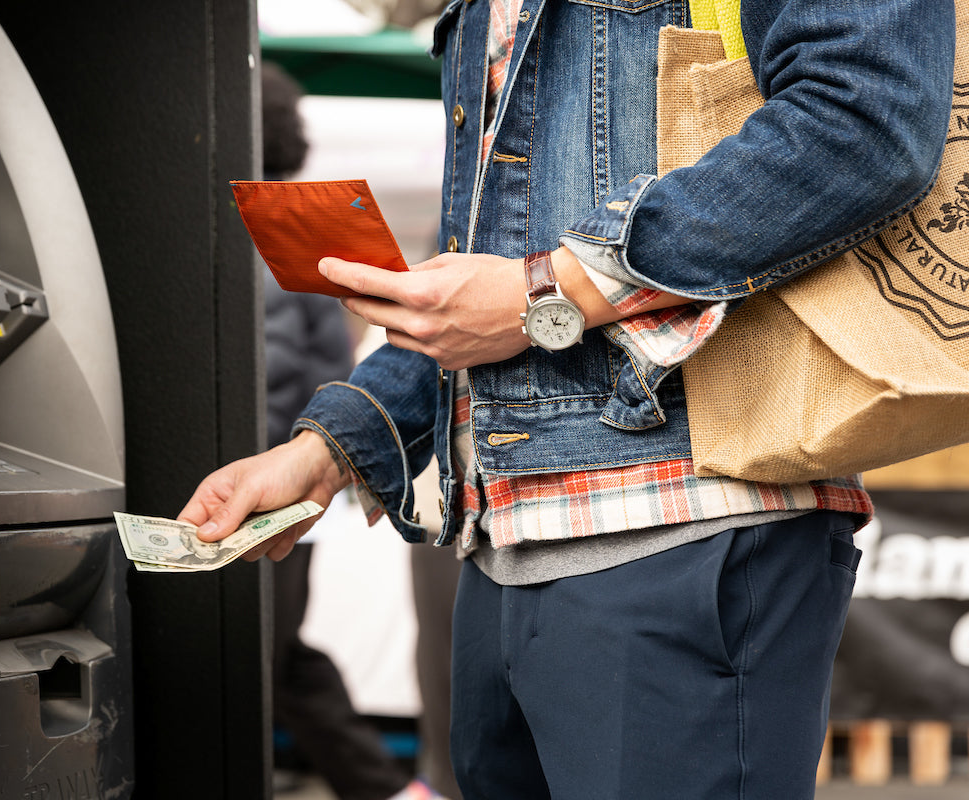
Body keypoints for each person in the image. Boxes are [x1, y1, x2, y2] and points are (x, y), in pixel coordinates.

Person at [191, 4, 956, 798]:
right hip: (500, 546)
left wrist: (546, 291)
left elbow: (867, 115)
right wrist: (326, 451)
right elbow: (486, 279)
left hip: (686, 520)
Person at [259, 61, 443, 800]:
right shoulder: (296, 233)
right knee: (282, 661)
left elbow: (292, 370)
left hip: (277, 487)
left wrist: (295, 454)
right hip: (298, 483)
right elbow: (329, 360)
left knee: (270, 663)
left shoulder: (258, 230)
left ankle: (390, 790)